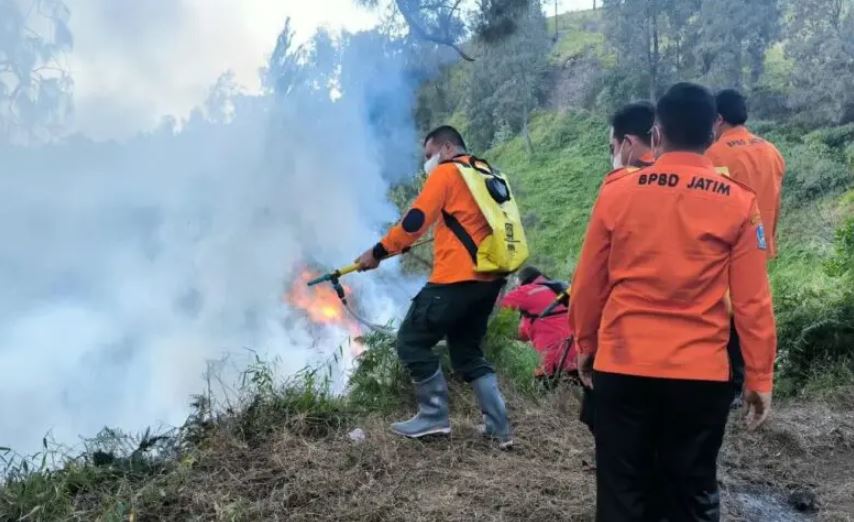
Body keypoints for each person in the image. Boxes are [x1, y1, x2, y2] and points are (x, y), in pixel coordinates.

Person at [570, 83, 777, 521]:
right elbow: (752, 301)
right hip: (699, 376)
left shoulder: (617, 192)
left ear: (658, 133)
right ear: (711, 135)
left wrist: (585, 344)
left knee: (622, 491)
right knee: (691, 492)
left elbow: (589, 282)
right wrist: (759, 376)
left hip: (624, 367)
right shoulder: (739, 203)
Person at [356, 125, 513, 448]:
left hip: (455, 279)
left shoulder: (446, 172)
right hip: (489, 280)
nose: (427, 163)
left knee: (411, 341)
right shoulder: (486, 173)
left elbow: (414, 221)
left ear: (446, 149)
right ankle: (499, 428)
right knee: (468, 353)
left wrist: (377, 253)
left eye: (428, 155)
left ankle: (434, 416)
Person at [706, 89, 786, 405]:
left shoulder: (715, 156)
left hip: (727, 248)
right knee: (753, 308)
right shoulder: (772, 151)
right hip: (760, 242)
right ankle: (750, 379)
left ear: (719, 119)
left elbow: (715, 205)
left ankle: (733, 382)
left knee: (727, 313)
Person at [499, 266, 575, 379]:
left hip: (555, 360)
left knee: (532, 387)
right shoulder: (561, 289)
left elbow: (494, 305)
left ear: (522, 282)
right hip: (584, 356)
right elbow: (525, 332)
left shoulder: (527, 291)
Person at [608, 101, 656, 174]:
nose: (612, 156)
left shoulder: (618, 183)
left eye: (613, 149)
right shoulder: (674, 172)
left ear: (628, 143)